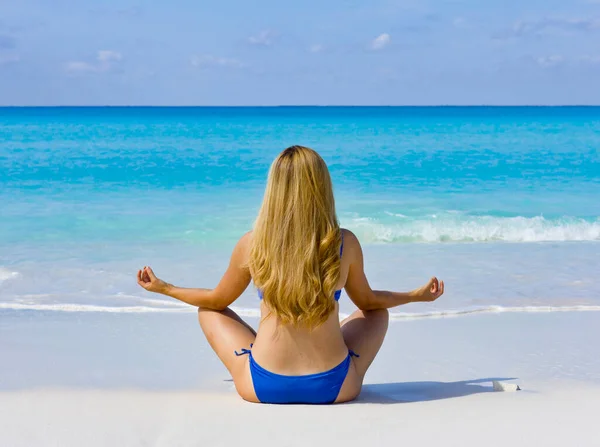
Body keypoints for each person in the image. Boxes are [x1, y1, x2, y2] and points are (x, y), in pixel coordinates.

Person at [137, 146, 444, 404]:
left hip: (261, 386)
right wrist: (416, 296)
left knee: (208, 311)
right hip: (335, 387)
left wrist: (165, 288)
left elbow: (217, 300)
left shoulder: (253, 244)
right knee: (376, 314)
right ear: (322, 189)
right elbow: (369, 301)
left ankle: (269, 350)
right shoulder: (343, 243)